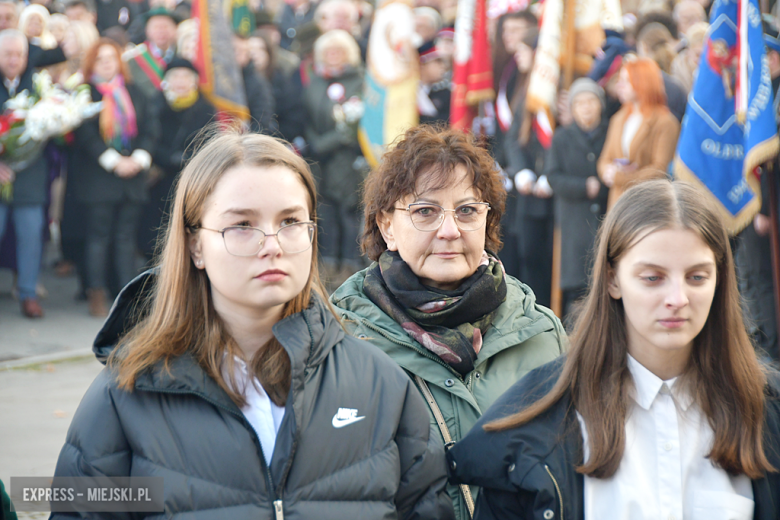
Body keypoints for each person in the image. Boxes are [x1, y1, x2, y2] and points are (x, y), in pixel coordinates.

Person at [52, 131, 455, 520]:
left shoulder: (379, 382)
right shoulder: (124, 394)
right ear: (195, 245)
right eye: (242, 225)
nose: (272, 244)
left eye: (291, 221)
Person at [447, 179, 780, 519]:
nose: (678, 299)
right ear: (612, 279)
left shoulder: (768, 412)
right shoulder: (538, 421)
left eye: (697, 277)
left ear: (720, 279)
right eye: (653, 277)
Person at [330, 125, 566, 520]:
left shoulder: (542, 335)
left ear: (487, 223)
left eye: (467, 210)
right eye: (425, 211)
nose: (450, 230)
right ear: (387, 225)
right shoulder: (341, 341)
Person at [71, 38, 157, 317]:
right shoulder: (86, 93)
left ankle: (126, 295)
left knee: (124, 238)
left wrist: (140, 157)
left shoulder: (134, 90)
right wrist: (112, 161)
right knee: (99, 237)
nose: (107, 63)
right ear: (92, 63)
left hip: (132, 178)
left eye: (112, 57)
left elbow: (150, 128)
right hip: (99, 179)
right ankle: (96, 293)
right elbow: (85, 134)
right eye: (101, 58)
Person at [138, 57, 216, 262]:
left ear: (195, 81)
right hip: (158, 178)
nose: (180, 81)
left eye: (185, 76)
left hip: (191, 178)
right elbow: (147, 137)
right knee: (153, 235)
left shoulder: (206, 108)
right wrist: (167, 157)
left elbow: (210, 142)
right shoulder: (154, 104)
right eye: (175, 76)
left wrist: (185, 160)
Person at [545, 78, 609, 322]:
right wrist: (584, 187)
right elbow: (553, 177)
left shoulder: (609, 131)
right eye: (580, 102)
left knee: (602, 276)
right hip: (574, 218)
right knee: (577, 280)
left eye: (591, 101)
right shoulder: (562, 137)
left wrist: (601, 186)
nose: (586, 107)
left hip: (603, 213)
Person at [305, 29, 367, 280]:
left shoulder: (360, 80)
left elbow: (355, 125)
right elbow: (306, 117)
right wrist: (314, 143)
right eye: (328, 52)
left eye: (339, 51)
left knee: (348, 213)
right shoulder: (315, 81)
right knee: (326, 215)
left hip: (349, 159)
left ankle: (352, 268)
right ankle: (327, 268)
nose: (333, 56)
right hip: (322, 162)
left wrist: (324, 143)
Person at [0, 29, 51, 318]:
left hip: (30, 176)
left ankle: (28, 293)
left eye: (18, 54)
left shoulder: (39, 87)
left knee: (31, 235)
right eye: (7, 54)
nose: (13, 60)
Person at [598, 58, 680, 210]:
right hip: (618, 203)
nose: (619, 86)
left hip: (646, 205)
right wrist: (608, 172)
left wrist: (620, 177)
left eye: (626, 81)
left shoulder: (665, 121)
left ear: (642, 83)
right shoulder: (619, 117)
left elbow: (659, 169)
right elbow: (604, 159)